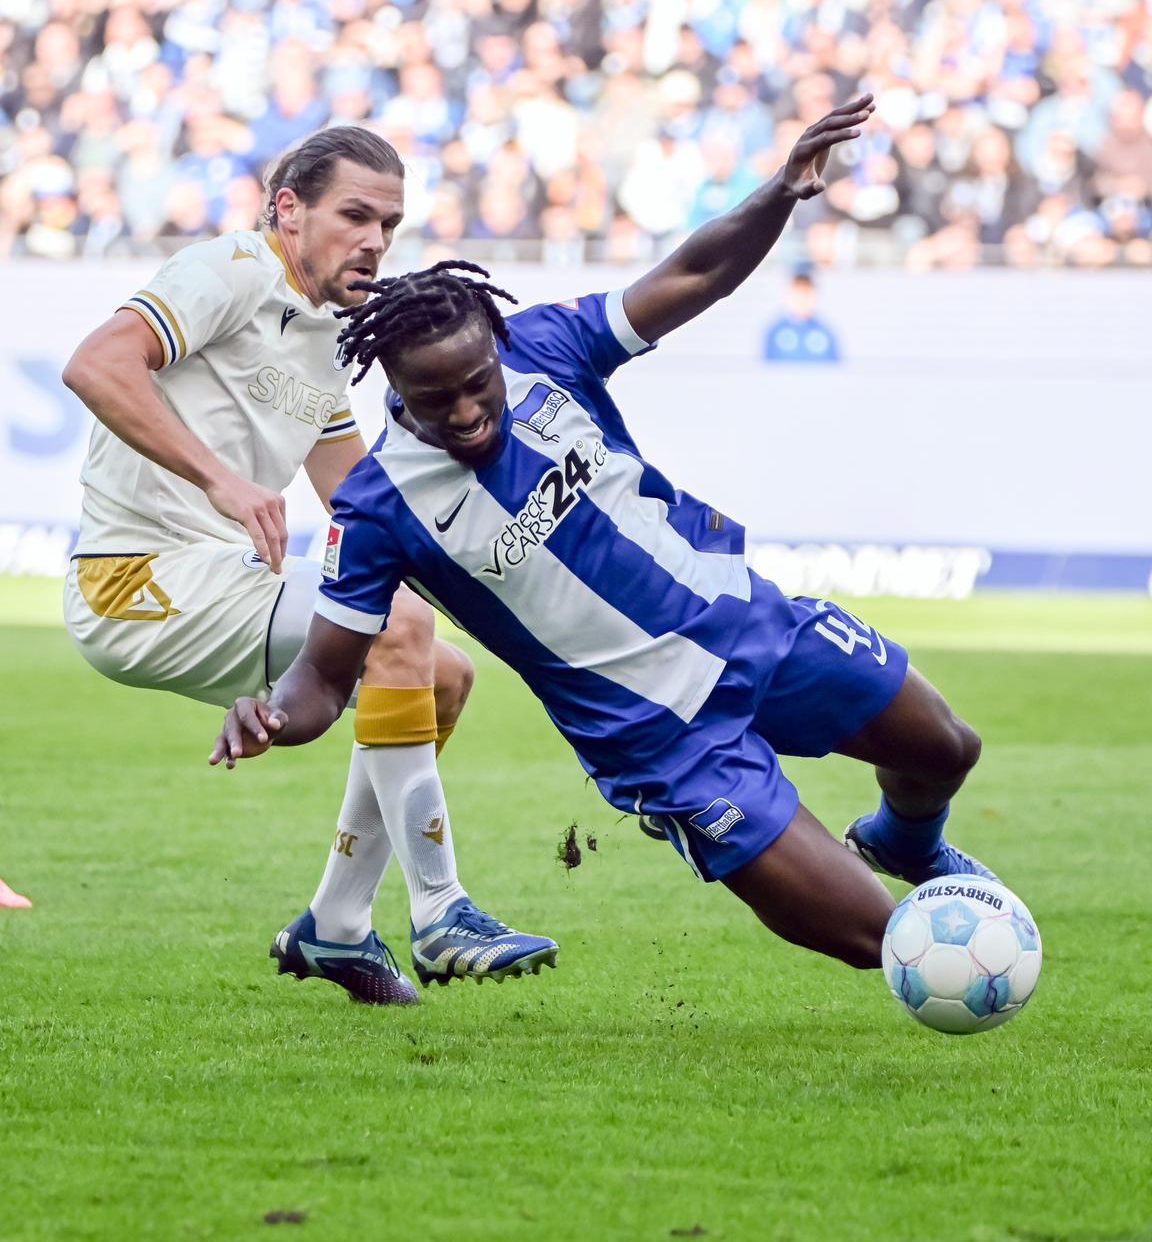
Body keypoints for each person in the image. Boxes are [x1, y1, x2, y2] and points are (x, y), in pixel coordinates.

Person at [210, 95, 996, 975]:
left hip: (751, 626)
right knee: (883, 943)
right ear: (390, 382)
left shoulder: (543, 346)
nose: (470, 413)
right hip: (659, 739)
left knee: (944, 748)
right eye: (439, 403)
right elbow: (323, 678)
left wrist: (778, 191)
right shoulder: (378, 504)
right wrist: (272, 715)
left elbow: (692, 276)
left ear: (495, 349)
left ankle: (907, 843)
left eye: (479, 385)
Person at [62, 125, 557, 1005]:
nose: (373, 240)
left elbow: (360, 500)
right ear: (289, 210)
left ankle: (334, 926)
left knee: (439, 674)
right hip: (133, 579)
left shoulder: (331, 334)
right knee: (395, 627)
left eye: (390, 224)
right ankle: (441, 908)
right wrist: (222, 481)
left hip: (213, 576)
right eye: (354, 215)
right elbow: (98, 364)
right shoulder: (231, 270)